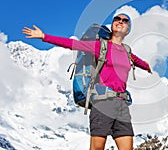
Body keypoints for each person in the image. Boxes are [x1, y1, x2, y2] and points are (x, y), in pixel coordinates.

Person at [22, 13, 152, 150]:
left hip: (122, 106)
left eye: (125, 21)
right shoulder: (100, 46)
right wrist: (44, 37)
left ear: (128, 29)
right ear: (113, 24)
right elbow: (73, 44)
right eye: (117, 19)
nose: (120, 21)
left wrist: (147, 66)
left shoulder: (127, 52)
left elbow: (138, 61)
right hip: (103, 102)